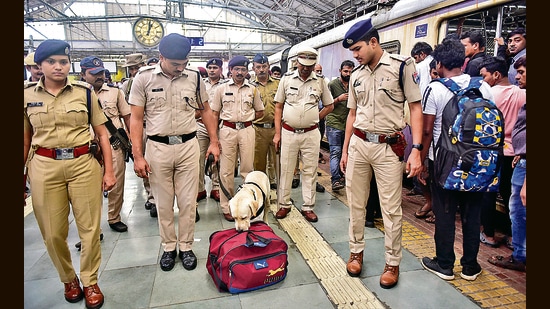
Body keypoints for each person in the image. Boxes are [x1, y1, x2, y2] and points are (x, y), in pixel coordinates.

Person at [24, 39, 116, 308]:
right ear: (39, 66)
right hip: (44, 166)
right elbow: (24, 140)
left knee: (89, 229)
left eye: (63, 62)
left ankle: (90, 281)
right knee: (53, 232)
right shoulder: (26, 95)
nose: (58, 67)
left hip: (83, 164)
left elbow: (102, 134)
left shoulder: (84, 92)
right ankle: (68, 278)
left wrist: (109, 171)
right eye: (51, 62)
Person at [339, 18, 423, 289]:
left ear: (373, 42)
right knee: (355, 204)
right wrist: (345, 150)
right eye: (352, 52)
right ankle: (356, 252)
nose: (355, 55)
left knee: (390, 209)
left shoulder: (401, 66)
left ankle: (392, 263)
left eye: (358, 49)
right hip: (359, 145)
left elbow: (415, 107)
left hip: (389, 147)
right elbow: (352, 114)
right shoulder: (356, 75)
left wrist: (417, 149)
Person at [128, 33, 220, 272]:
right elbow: (136, 120)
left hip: (188, 147)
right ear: (161, 57)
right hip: (157, 148)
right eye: (175, 64)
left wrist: (214, 142)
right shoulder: (143, 78)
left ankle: (186, 246)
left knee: (189, 203)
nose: (181, 68)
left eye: (184, 63)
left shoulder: (194, 77)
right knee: (164, 203)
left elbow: (207, 111)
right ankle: (169, 247)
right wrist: (138, 156)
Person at [419, 36, 494, 282]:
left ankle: (445, 264)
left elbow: (428, 130)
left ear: (439, 64)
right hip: (477, 161)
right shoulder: (483, 86)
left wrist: (421, 159)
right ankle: (471, 267)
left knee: (446, 213)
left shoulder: (436, 88)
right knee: (472, 215)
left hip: (444, 162)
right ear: (463, 61)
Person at [273, 46, 334, 222]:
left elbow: (329, 105)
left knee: (310, 170)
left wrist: (316, 117)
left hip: (311, 134)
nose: (306, 68)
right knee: (286, 170)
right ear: (297, 62)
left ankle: (308, 207)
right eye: (303, 65)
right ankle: (284, 205)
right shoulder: (286, 79)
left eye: (310, 65)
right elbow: (278, 106)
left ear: (314, 64)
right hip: (289, 132)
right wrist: (278, 134)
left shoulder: (320, 81)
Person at [80, 56, 132, 233]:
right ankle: (91, 229)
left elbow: (127, 116)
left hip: (113, 144)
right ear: (83, 74)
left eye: (101, 72)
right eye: (93, 74)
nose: (99, 76)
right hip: (87, 149)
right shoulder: (77, 94)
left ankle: (114, 217)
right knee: (87, 190)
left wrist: (132, 139)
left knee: (116, 185)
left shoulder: (115, 92)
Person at [478, 56, 526, 248]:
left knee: (488, 193)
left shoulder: (488, 93)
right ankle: (513, 236)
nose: (482, 80)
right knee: (509, 194)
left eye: (484, 76)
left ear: (496, 74)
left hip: (493, 150)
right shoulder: (522, 93)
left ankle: (488, 234)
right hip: (514, 153)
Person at [210, 55, 264, 222]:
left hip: (247, 130)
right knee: (226, 170)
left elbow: (260, 111)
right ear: (230, 71)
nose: (240, 72)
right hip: (227, 130)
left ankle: (247, 203)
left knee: (247, 170)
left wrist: (246, 119)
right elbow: (214, 113)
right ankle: (227, 206)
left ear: (247, 71)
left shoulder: (253, 89)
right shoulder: (221, 89)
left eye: (243, 69)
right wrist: (214, 139)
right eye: (236, 69)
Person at [120, 53, 157, 216]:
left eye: (137, 67)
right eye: (131, 69)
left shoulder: (152, 80)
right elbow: (125, 113)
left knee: (158, 164)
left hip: (155, 128)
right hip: (138, 129)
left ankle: (159, 198)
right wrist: (128, 132)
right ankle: (151, 196)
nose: (134, 71)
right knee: (143, 163)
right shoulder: (126, 87)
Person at [197, 57, 226, 202]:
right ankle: (200, 189)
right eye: (210, 68)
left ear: (221, 70)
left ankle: (216, 188)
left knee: (218, 158)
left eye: (215, 67)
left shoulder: (226, 85)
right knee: (198, 158)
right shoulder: (200, 85)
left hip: (220, 126)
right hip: (201, 126)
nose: (212, 70)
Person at [250, 53, 279, 190]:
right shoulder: (250, 86)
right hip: (257, 129)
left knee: (277, 160)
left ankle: (274, 182)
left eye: (264, 66)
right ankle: (260, 185)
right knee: (258, 161)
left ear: (268, 67)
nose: (261, 69)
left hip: (275, 128)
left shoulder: (278, 84)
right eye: (258, 67)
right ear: (253, 68)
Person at [326, 60, 355, 191]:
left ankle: (343, 176)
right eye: (346, 71)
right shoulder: (332, 85)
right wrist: (338, 99)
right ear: (340, 71)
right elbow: (325, 104)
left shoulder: (354, 84)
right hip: (334, 123)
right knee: (335, 152)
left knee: (347, 152)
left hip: (349, 125)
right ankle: (336, 180)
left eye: (351, 71)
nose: (348, 74)